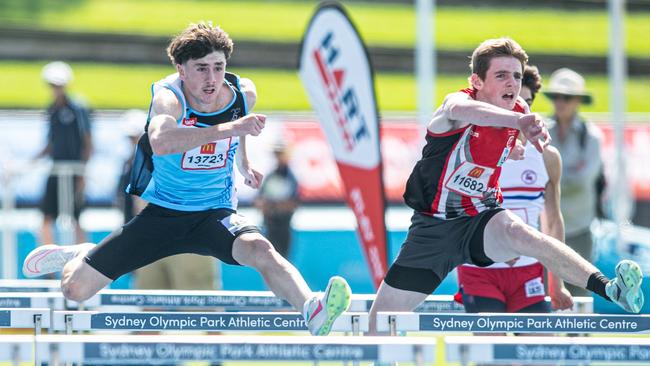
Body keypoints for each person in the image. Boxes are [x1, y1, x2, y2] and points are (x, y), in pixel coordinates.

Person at [22, 22, 351, 336]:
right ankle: (81, 254)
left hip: (213, 213)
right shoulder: (169, 96)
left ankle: (311, 308)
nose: (212, 79)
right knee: (74, 289)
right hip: (162, 214)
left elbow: (240, 127)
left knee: (260, 249)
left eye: (219, 67)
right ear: (181, 69)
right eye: (201, 69)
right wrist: (231, 129)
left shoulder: (243, 94)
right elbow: (163, 141)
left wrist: (243, 160)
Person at [368, 38, 643, 334]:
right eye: (501, 75)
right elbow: (466, 113)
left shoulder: (519, 110)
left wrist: (515, 144)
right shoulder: (457, 103)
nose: (511, 83)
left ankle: (612, 289)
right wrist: (519, 123)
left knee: (525, 236)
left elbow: (500, 142)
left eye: (516, 76)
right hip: (433, 231)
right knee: (380, 324)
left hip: (480, 220)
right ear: (477, 81)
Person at [456, 65, 574, 318]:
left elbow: (553, 222)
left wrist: (557, 282)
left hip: (527, 270)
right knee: (494, 354)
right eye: (514, 101)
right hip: (481, 269)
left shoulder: (547, 156)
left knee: (538, 354)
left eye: (528, 102)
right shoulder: (470, 149)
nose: (522, 111)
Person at [117, 109, 221, 291]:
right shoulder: (131, 165)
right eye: (131, 139)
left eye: (138, 137)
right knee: (150, 309)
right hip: (149, 241)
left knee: (197, 310)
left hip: (187, 240)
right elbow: (132, 206)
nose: (135, 143)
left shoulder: (180, 157)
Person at [544, 68, 605, 297]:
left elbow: (584, 179)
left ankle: (578, 336)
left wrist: (550, 178)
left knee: (580, 295)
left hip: (579, 228)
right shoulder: (540, 130)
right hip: (545, 229)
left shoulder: (592, 136)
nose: (560, 102)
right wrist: (565, 173)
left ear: (578, 100)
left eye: (566, 97)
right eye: (556, 96)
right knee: (543, 296)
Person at [36, 61, 92, 244]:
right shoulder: (51, 109)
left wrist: (83, 171)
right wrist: (31, 161)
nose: (55, 89)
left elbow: (88, 142)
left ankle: (82, 263)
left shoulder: (78, 108)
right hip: (56, 169)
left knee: (76, 218)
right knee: (46, 218)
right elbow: (51, 143)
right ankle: (49, 268)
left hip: (74, 169)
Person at [255, 142, 300, 258]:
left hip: (283, 227)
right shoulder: (271, 176)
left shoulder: (291, 177)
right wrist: (271, 206)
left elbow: (292, 204)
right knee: (269, 261)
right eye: (277, 154)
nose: (278, 157)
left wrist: (272, 206)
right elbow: (259, 201)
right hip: (269, 226)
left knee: (282, 261)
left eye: (280, 154)